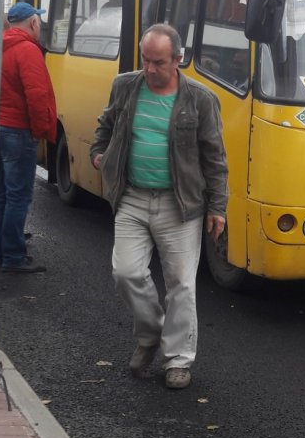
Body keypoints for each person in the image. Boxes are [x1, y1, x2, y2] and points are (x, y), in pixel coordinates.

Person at [90, 23, 228, 390]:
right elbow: (105, 125)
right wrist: (98, 153)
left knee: (181, 284)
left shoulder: (200, 99)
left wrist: (218, 207)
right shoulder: (125, 86)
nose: (149, 69)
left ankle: (177, 360)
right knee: (126, 272)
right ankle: (150, 334)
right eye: (145, 60)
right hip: (132, 197)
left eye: (158, 62)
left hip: (180, 205)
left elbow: (215, 158)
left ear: (178, 60)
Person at [0, 2, 57, 274]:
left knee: (1, 194)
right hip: (19, 131)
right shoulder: (27, 50)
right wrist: (40, 130)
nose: (40, 25)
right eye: (38, 21)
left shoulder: (0, 46)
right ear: (32, 23)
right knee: (19, 196)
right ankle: (14, 256)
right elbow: (37, 95)